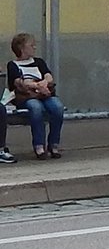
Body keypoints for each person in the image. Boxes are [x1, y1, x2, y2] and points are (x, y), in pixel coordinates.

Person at [7, 33, 65, 161]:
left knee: (58, 107)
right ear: (21, 48)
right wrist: (37, 86)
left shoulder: (39, 62)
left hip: (44, 93)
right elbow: (18, 82)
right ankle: (39, 145)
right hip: (27, 96)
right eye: (31, 45)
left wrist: (44, 84)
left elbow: (48, 76)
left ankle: (53, 143)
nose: (34, 47)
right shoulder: (13, 65)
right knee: (36, 107)